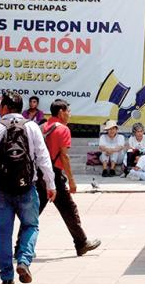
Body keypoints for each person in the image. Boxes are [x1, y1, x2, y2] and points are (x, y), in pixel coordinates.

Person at [0, 90, 56, 284]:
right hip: (27, 187)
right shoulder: (32, 127)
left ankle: (6, 278)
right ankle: (23, 260)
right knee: (31, 226)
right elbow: (43, 158)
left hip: (0, 189)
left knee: (3, 233)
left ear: (4, 108)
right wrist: (50, 183)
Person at [38, 99, 101, 256]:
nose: (69, 115)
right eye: (68, 111)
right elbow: (64, 157)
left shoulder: (41, 128)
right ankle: (81, 243)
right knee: (69, 209)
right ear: (61, 112)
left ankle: (20, 246)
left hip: (40, 174)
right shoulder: (63, 129)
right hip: (55, 175)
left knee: (33, 211)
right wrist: (72, 180)